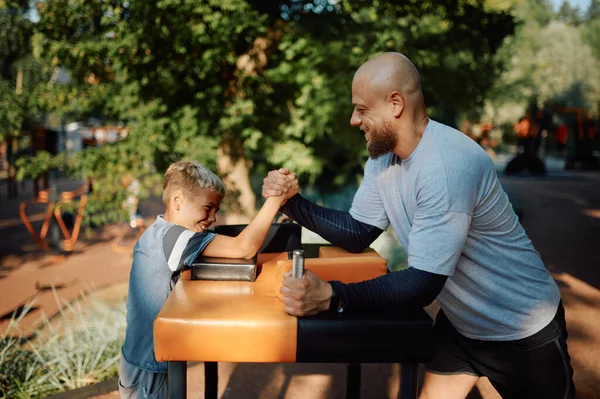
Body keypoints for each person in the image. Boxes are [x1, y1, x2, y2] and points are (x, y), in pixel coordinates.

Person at [262, 52, 575, 399]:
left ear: (395, 104)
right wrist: (291, 203)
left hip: (520, 326)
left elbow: (423, 283)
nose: (353, 119)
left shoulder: (447, 165)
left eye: (361, 109)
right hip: (462, 325)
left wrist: (332, 296)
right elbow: (358, 232)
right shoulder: (382, 158)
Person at [119, 160, 291, 398]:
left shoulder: (162, 231)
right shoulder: (174, 237)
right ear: (178, 201)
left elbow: (226, 239)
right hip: (148, 366)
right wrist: (275, 200)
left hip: (144, 359)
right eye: (207, 208)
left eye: (216, 211)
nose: (212, 218)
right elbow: (243, 247)